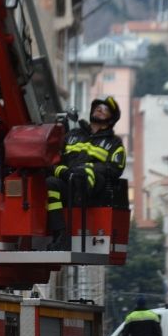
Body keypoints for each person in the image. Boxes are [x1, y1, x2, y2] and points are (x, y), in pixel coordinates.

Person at [45, 96, 127, 250]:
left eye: (105, 109)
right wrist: (62, 171)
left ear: (111, 119)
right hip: (69, 181)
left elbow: (116, 168)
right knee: (51, 183)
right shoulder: (72, 135)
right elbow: (54, 158)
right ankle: (60, 233)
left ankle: (78, 202)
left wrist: (89, 168)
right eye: (98, 107)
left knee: (84, 174)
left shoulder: (114, 143)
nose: (100, 110)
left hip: (93, 190)